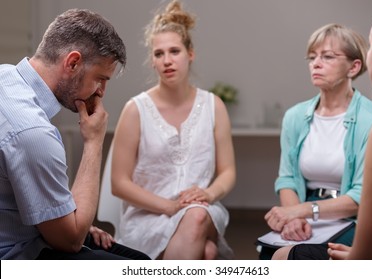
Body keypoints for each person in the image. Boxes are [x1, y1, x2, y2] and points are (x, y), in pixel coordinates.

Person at [0, 8, 149, 260]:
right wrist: (94, 141)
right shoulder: (33, 133)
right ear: (72, 63)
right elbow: (71, 240)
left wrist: (65, 215)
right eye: (100, 79)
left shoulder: (5, 75)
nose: (101, 91)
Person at [111, 0, 236, 260]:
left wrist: (208, 193)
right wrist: (168, 206)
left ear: (190, 54)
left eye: (174, 51)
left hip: (203, 208)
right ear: (152, 61)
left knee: (197, 215)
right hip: (148, 216)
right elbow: (119, 183)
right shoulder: (135, 110)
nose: (167, 60)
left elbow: (228, 172)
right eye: (159, 54)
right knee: (208, 252)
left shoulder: (214, 106)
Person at [260, 23, 372, 260]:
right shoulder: (295, 116)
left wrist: (301, 210)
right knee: (269, 256)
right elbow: (287, 178)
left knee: (293, 257)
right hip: (306, 213)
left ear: (354, 66)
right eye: (312, 57)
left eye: (327, 57)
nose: (316, 64)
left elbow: (363, 195)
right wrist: (294, 217)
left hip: (354, 218)